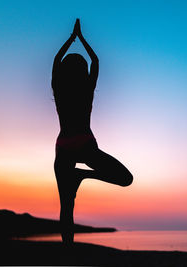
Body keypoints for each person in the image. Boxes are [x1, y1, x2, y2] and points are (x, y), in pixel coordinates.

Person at [52, 19, 133, 244]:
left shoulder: (59, 88)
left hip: (64, 149)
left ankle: (68, 253)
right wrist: (82, 38)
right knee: (125, 179)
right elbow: (95, 60)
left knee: (66, 207)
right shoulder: (87, 89)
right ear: (84, 71)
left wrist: (71, 38)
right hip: (86, 147)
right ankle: (84, 174)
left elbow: (56, 61)